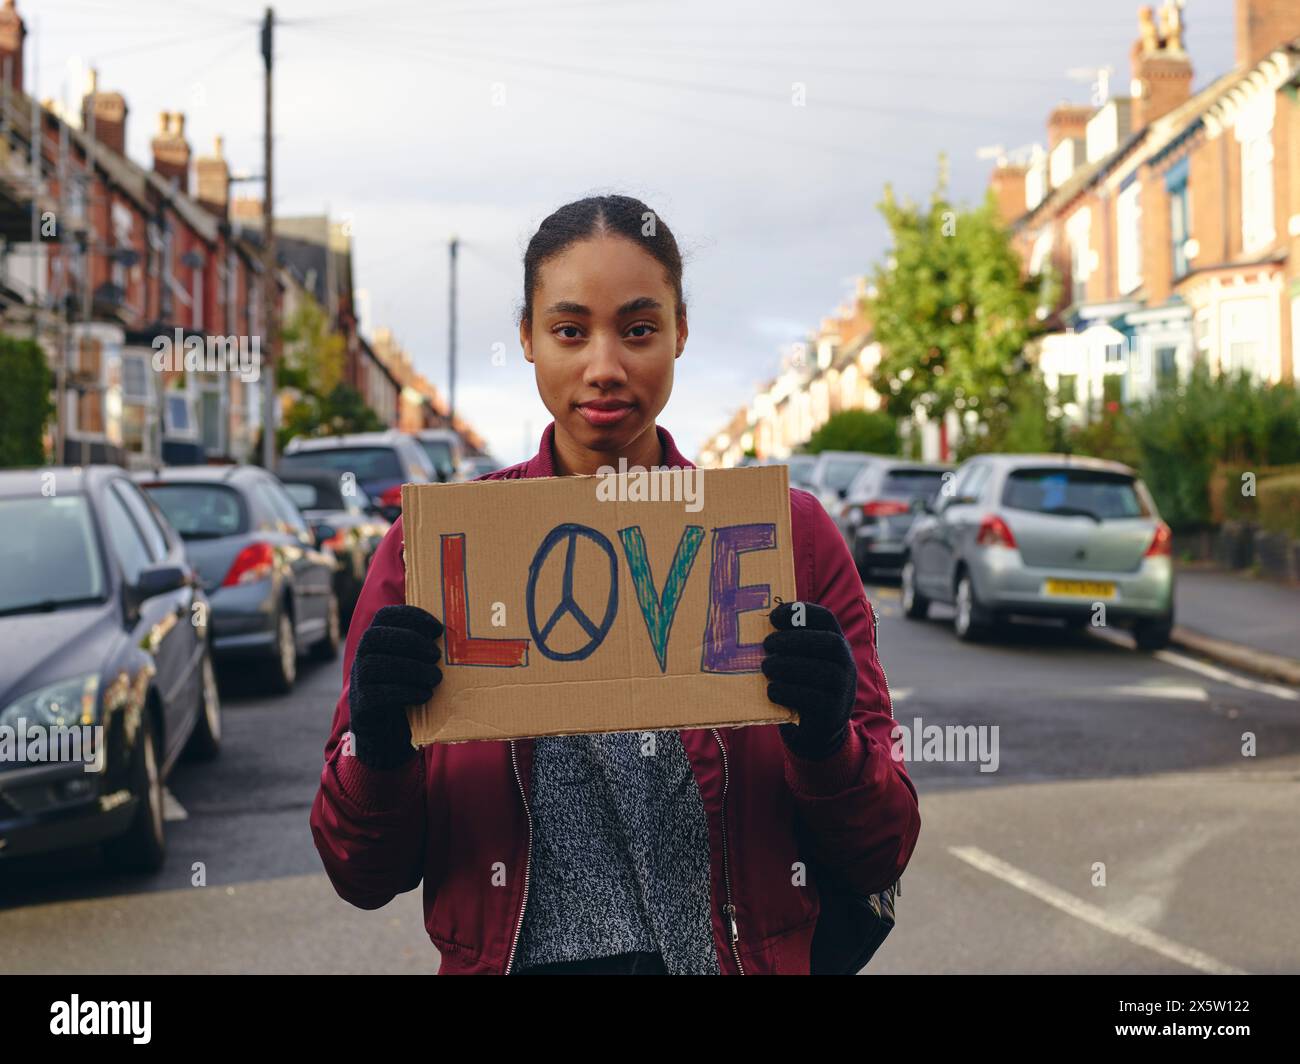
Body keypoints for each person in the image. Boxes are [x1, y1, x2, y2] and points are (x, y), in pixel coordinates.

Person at [309, 194, 921, 975]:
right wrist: (380, 749)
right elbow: (359, 873)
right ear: (526, 339)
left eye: (638, 329)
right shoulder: (431, 553)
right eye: (570, 331)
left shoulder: (789, 538)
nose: (604, 367)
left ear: (680, 332)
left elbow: (881, 849)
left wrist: (829, 743)